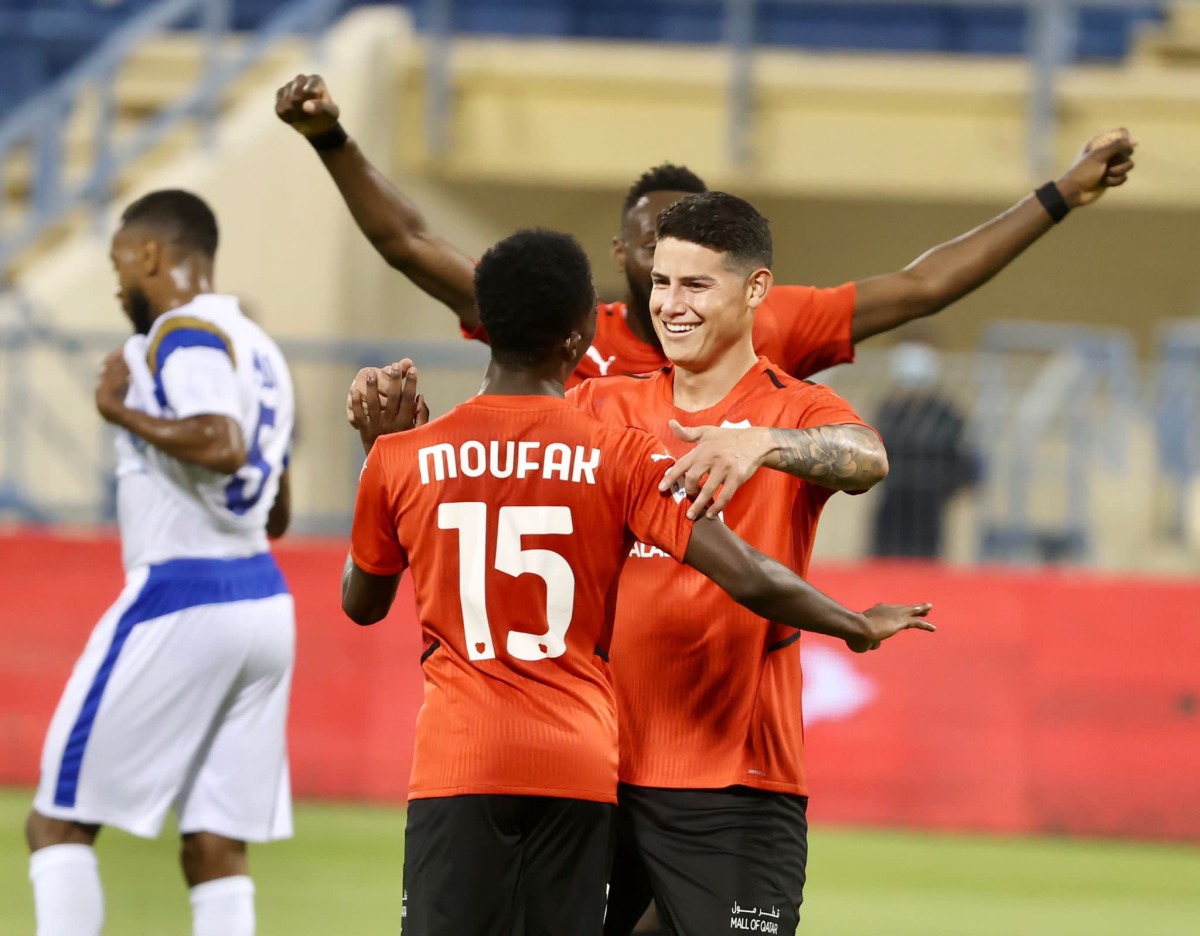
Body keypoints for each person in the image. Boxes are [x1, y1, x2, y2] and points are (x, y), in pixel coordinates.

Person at [341, 228, 935, 936]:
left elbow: (869, 458)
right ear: (583, 330)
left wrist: (380, 453)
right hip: (592, 764)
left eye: (694, 284)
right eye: (660, 283)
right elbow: (743, 572)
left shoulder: (410, 457)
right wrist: (853, 625)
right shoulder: (610, 436)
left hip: (634, 765)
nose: (670, 304)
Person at [275, 73, 1136, 388]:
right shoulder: (564, 334)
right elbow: (411, 245)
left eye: (689, 240)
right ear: (621, 256)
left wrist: (1060, 194)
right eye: (651, 241)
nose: (667, 255)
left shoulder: (771, 328)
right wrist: (330, 141)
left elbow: (924, 285)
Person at [25, 190, 296, 936]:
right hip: (264, 602)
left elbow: (222, 442)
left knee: (57, 824)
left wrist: (121, 411)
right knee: (214, 845)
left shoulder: (182, 334)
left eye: (118, 262)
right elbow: (276, 507)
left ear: (149, 254)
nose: (117, 282)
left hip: (184, 591)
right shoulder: (261, 349)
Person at [870, 338, 980, 558]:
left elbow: (959, 457)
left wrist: (947, 486)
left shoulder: (945, 414)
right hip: (893, 503)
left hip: (928, 505)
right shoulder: (890, 411)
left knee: (925, 561)